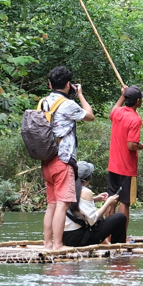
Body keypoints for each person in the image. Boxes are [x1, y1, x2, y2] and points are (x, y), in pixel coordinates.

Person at [41, 66, 94, 250]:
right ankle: (57, 245)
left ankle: (48, 244)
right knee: (62, 206)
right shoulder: (68, 104)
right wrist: (80, 94)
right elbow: (90, 116)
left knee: (51, 206)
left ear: (50, 84)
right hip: (62, 161)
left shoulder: (43, 103)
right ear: (68, 84)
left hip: (46, 160)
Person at [108, 85, 143, 224]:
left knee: (112, 200)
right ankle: (121, 236)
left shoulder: (117, 112)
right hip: (126, 168)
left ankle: (108, 236)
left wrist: (122, 95)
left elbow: (114, 108)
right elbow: (131, 145)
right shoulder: (135, 119)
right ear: (138, 101)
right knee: (124, 202)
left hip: (113, 165)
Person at [63, 161, 128, 247]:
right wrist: (108, 203)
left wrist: (95, 199)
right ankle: (117, 246)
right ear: (88, 179)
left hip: (65, 237)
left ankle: (107, 243)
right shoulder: (86, 192)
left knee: (99, 218)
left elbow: (75, 205)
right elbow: (93, 220)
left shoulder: (66, 187)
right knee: (120, 217)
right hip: (80, 239)